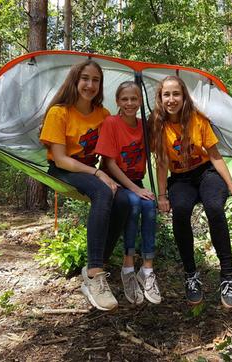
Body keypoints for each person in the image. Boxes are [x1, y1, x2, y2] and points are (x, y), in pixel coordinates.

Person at [149, 75, 232, 308]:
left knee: (215, 207)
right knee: (181, 210)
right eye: (167, 94)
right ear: (160, 98)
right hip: (180, 180)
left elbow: (214, 154)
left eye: (176, 94)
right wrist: (162, 196)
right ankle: (191, 275)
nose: (171, 99)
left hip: (206, 174)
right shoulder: (157, 125)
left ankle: (227, 277)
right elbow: (162, 163)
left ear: (184, 96)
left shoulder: (197, 120)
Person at [39, 60, 130, 311]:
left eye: (95, 80)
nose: (90, 85)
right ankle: (94, 274)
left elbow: (113, 148)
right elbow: (60, 159)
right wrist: (97, 173)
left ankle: (95, 265)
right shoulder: (60, 112)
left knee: (124, 200)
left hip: (92, 170)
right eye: (85, 79)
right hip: (64, 169)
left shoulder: (103, 115)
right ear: (75, 81)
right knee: (103, 192)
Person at [95, 81, 161, 305]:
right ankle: (127, 268)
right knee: (134, 204)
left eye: (134, 99)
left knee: (149, 206)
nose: (130, 103)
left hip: (136, 180)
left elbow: (160, 143)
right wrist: (135, 189)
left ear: (140, 101)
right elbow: (110, 163)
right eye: (125, 99)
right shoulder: (111, 123)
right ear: (117, 102)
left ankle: (147, 270)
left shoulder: (143, 126)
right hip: (115, 181)